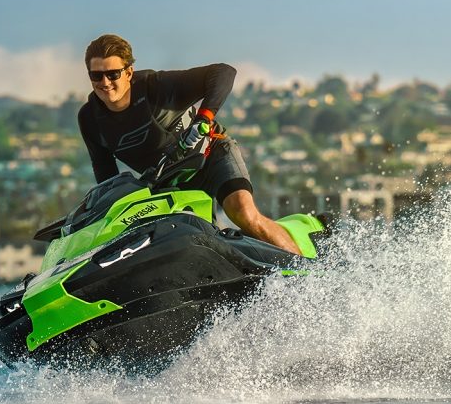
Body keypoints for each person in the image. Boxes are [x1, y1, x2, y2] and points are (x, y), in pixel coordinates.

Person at [77, 34, 301, 255]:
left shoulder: (155, 87)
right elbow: (106, 175)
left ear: (128, 73)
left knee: (242, 212)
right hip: (169, 183)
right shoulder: (89, 118)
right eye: (96, 76)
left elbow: (223, 72)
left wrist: (204, 118)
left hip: (212, 155)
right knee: (181, 246)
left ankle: (305, 268)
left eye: (113, 74)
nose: (105, 82)